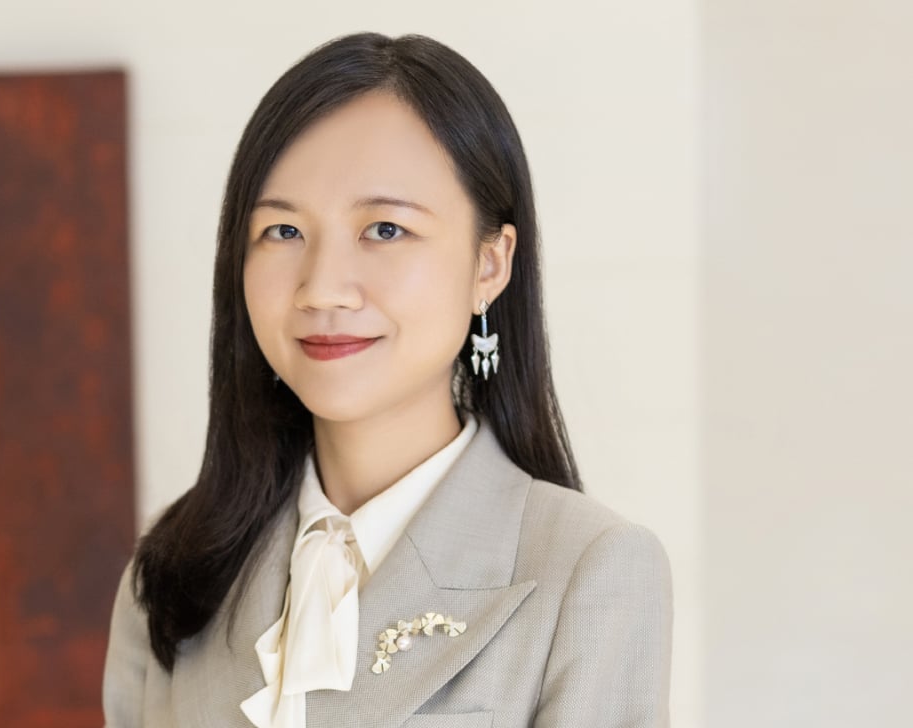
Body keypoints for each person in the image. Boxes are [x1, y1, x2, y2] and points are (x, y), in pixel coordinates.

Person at [102, 31, 673, 728]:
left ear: (490, 263)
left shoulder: (590, 569)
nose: (323, 288)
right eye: (283, 231)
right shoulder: (174, 568)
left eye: (385, 229)